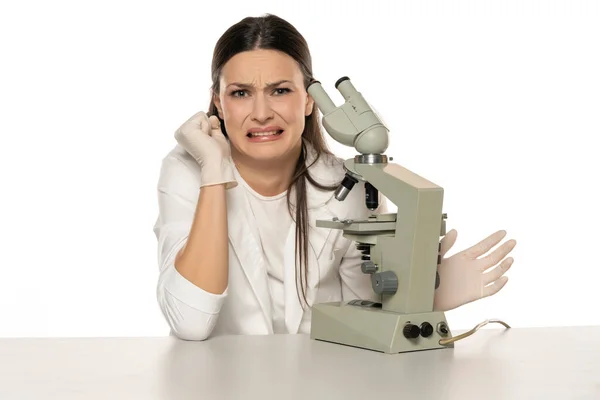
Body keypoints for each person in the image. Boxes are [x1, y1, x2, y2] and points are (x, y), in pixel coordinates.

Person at [152, 14, 517, 341]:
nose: (261, 113)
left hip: (326, 380)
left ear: (309, 100)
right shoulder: (188, 172)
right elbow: (190, 323)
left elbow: (365, 315)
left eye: (280, 90)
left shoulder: (351, 184)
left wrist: (424, 292)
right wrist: (213, 170)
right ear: (217, 102)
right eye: (241, 93)